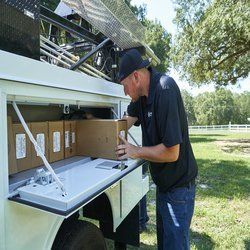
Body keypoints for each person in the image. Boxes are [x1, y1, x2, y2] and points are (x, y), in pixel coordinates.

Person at [115, 49, 198, 250]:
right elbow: (123, 123)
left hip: (179, 189)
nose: (124, 92)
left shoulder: (165, 89)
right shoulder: (141, 98)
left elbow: (172, 152)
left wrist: (136, 151)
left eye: (124, 86)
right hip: (164, 186)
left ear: (135, 77)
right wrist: (95, 128)